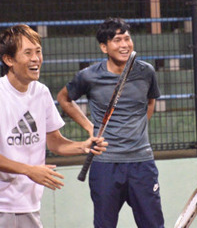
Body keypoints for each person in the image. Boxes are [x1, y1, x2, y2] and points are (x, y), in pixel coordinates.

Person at [57, 18, 164, 228]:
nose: (124, 45)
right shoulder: (89, 76)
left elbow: (149, 103)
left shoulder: (146, 72)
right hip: (105, 165)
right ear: (104, 47)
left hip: (142, 163)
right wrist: (90, 128)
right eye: (117, 40)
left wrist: (136, 129)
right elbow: (63, 98)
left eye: (127, 38)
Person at [0, 24, 107, 228]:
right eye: (28, 53)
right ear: (9, 59)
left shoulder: (41, 92)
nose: (36, 59)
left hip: (29, 205)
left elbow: (55, 142)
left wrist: (82, 146)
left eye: (38, 52)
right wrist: (29, 170)